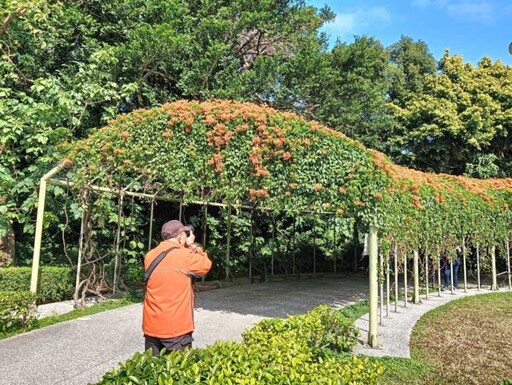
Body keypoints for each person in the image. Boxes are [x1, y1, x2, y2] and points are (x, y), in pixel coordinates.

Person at [143, 219, 212, 356]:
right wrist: (192, 245)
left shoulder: (150, 256)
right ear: (181, 236)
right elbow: (205, 265)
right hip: (176, 329)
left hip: (151, 327)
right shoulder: (186, 256)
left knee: (153, 371)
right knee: (178, 371)